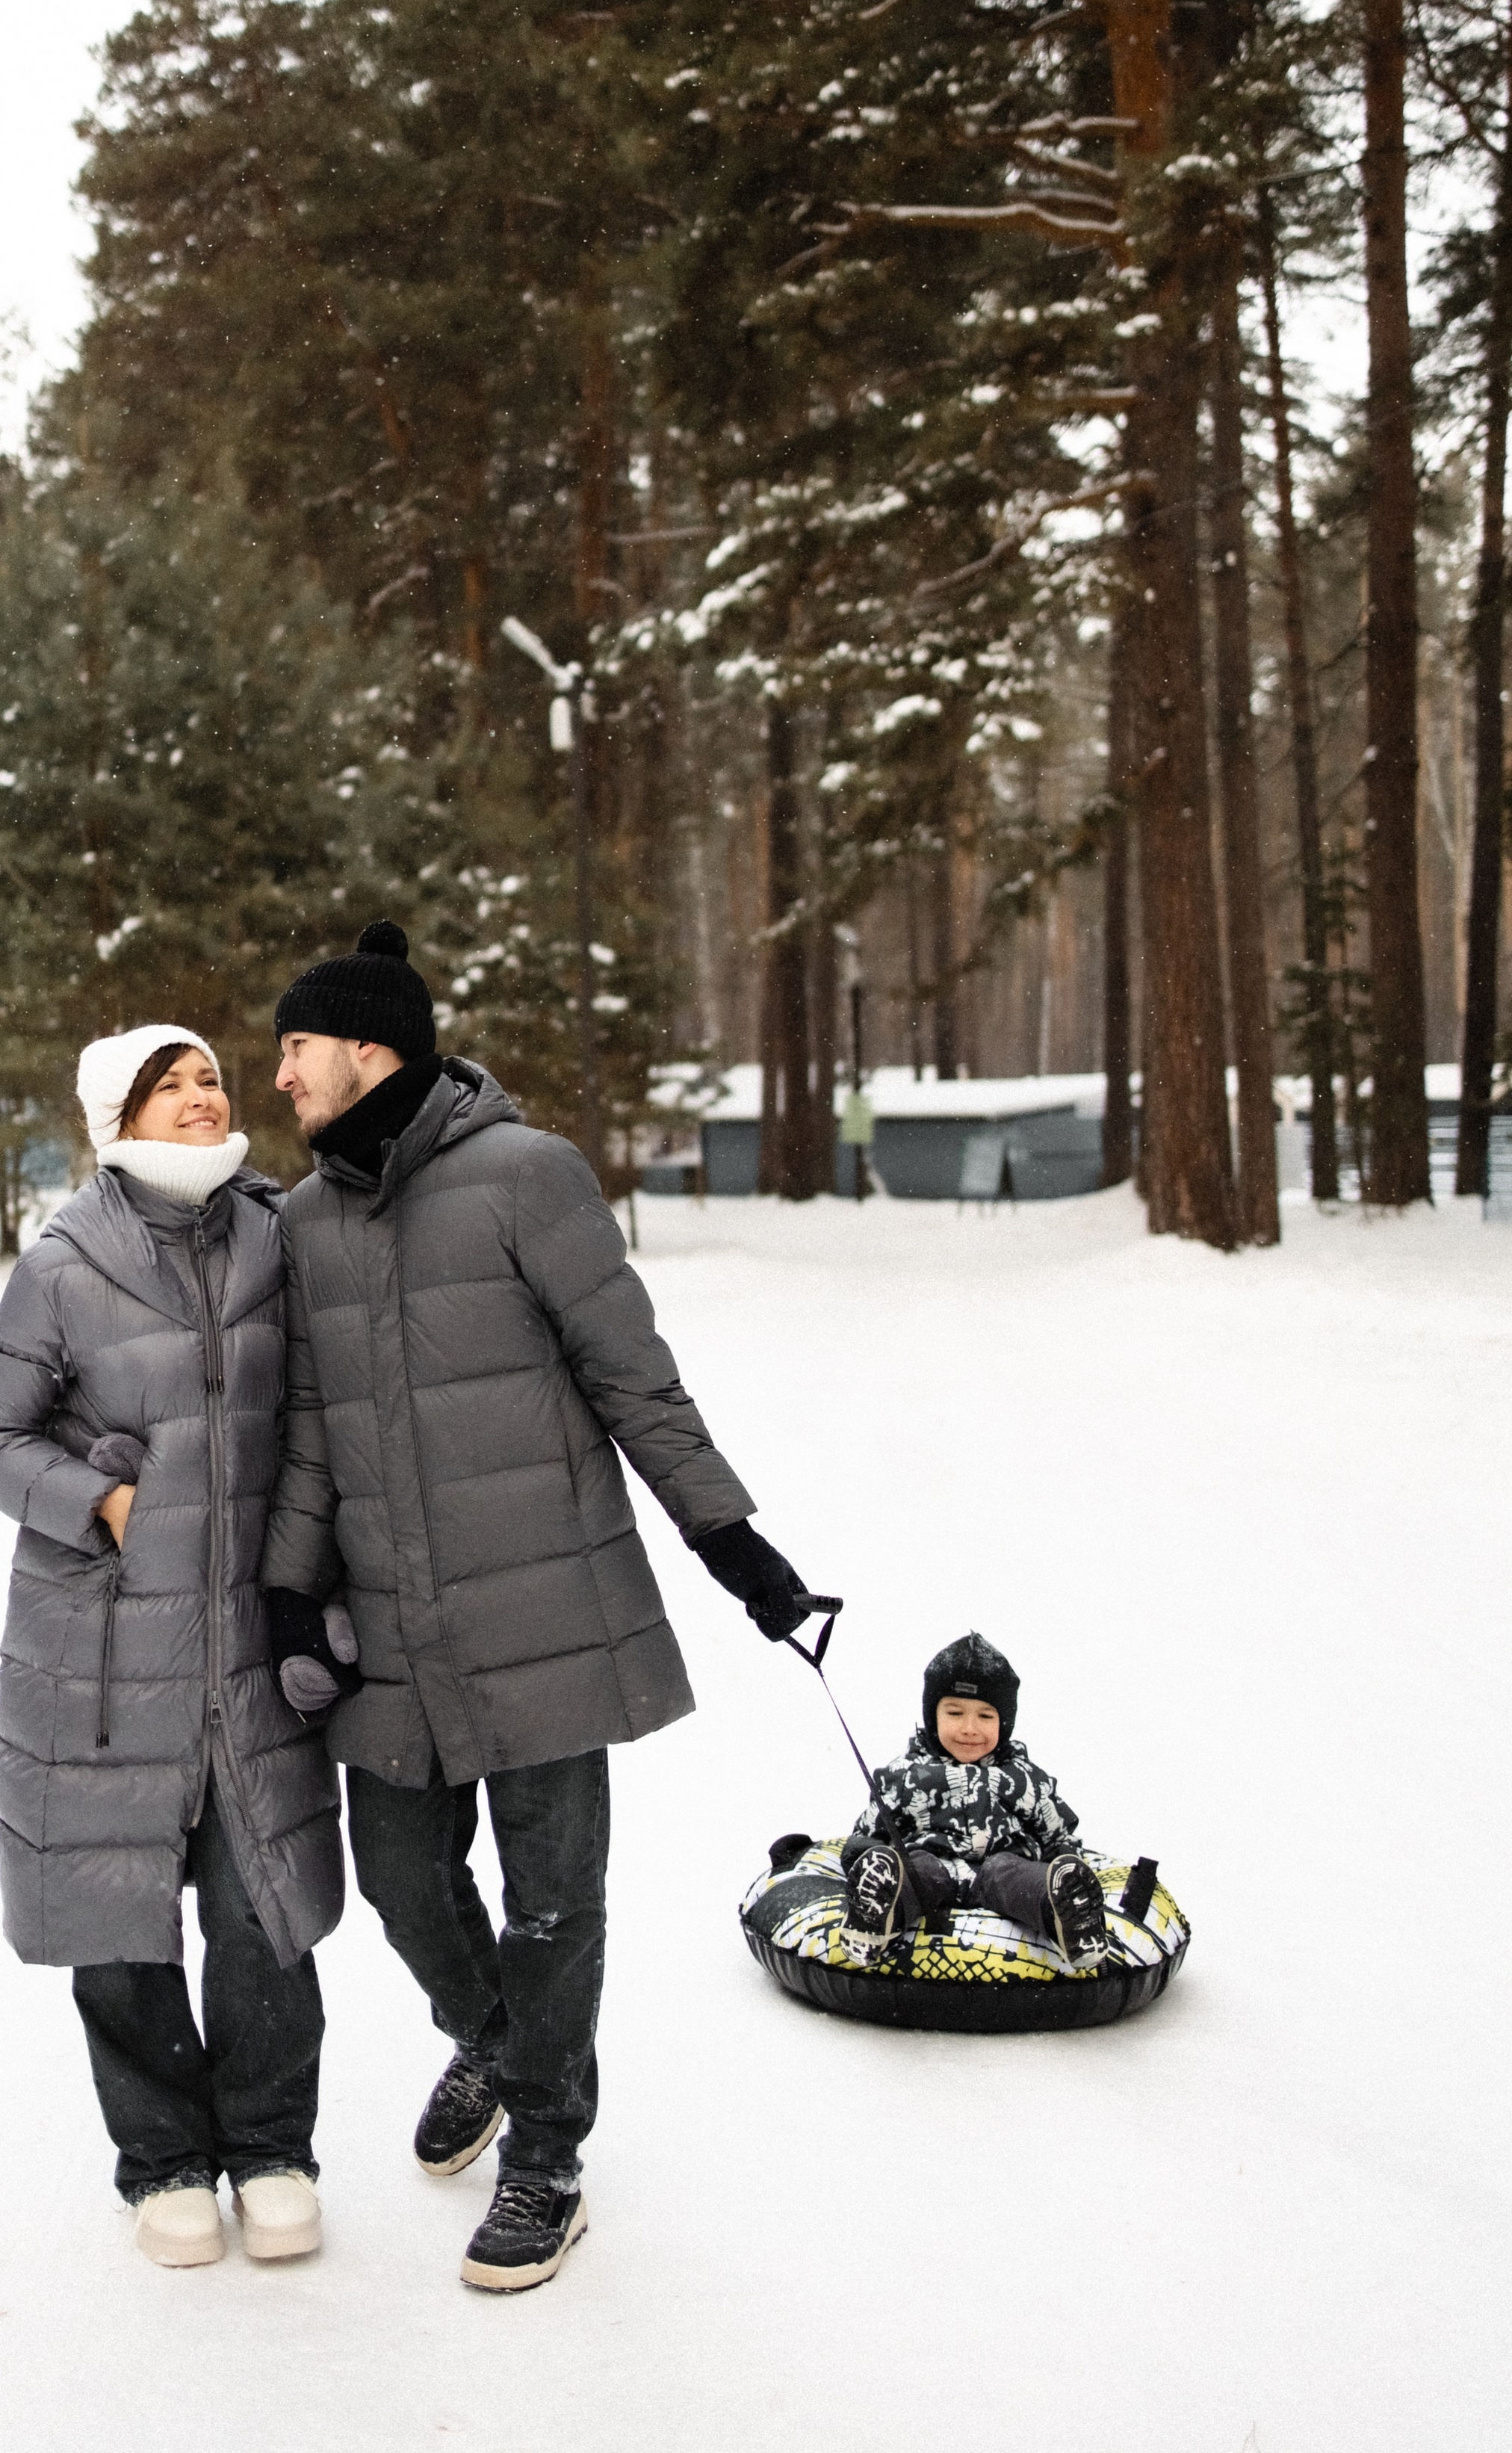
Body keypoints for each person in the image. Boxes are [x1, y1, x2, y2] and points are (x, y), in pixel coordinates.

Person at [261, 920, 822, 2294]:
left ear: (368, 1048)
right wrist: (288, 1590)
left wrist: (735, 1544)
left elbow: (637, 1381)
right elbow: (317, 1436)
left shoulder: (530, 1178)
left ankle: (548, 2160)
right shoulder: (305, 1220)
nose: (277, 1077)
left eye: (295, 1049)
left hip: (543, 1608)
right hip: (391, 1622)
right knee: (399, 1876)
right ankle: (497, 2045)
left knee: (555, 1901)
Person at [0, 1024, 343, 2271]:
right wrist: (102, 1504)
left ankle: (273, 2145)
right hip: (107, 1650)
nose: (199, 1096)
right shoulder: (67, 1260)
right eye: (168, 1085)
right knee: (118, 1912)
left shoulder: (278, 1238)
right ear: (117, 1114)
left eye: (209, 1078)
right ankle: (165, 2159)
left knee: (260, 1905)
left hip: (245, 1640)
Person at [838, 1630, 1110, 1964]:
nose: (969, 1728)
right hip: (930, 1863)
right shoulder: (905, 1775)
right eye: (954, 1714)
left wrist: (1066, 1858)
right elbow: (868, 1831)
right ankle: (875, 1915)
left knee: (1013, 1876)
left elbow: (1056, 1832)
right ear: (932, 1716)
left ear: (1004, 1723)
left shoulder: (1024, 1778)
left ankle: (1066, 1912)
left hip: (1002, 1866)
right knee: (915, 1873)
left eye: (985, 1716)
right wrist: (865, 1854)